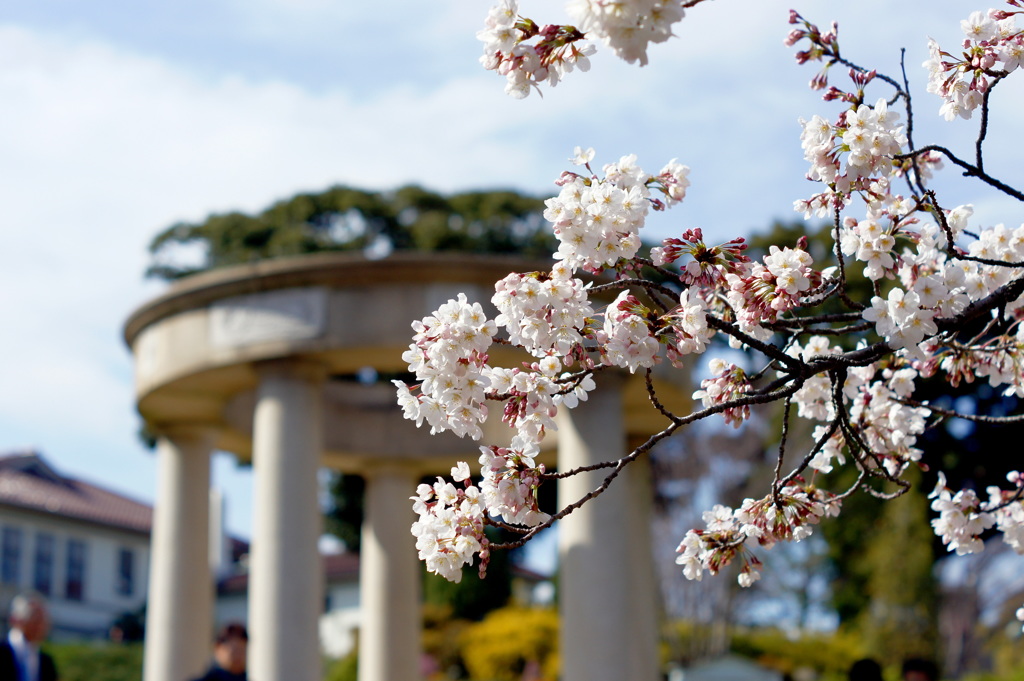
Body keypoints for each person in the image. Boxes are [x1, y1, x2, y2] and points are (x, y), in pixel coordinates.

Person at [0, 593, 58, 681]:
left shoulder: (46, 663)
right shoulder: (3, 652)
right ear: (15, 619)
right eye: (35, 618)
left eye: (43, 620)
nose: (40, 625)